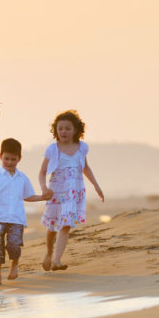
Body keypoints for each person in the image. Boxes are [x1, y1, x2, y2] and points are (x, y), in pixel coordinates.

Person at [39, 110, 104, 271]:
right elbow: (41, 172)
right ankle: (48, 253)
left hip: (73, 193)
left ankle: (57, 260)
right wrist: (44, 188)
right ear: (56, 130)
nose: (64, 132)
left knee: (66, 225)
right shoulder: (52, 150)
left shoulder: (82, 148)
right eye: (60, 128)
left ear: (76, 130)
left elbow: (85, 167)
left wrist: (96, 185)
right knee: (52, 227)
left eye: (67, 128)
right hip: (56, 192)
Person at [0, 138, 51, 286]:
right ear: (0, 156)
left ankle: (14, 265)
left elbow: (28, 196)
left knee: (13, 244)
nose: (9, 162)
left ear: (19, 158)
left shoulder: (22, 178)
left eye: (13, 159)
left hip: (16, 219)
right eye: (6, 159)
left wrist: (42, 197)